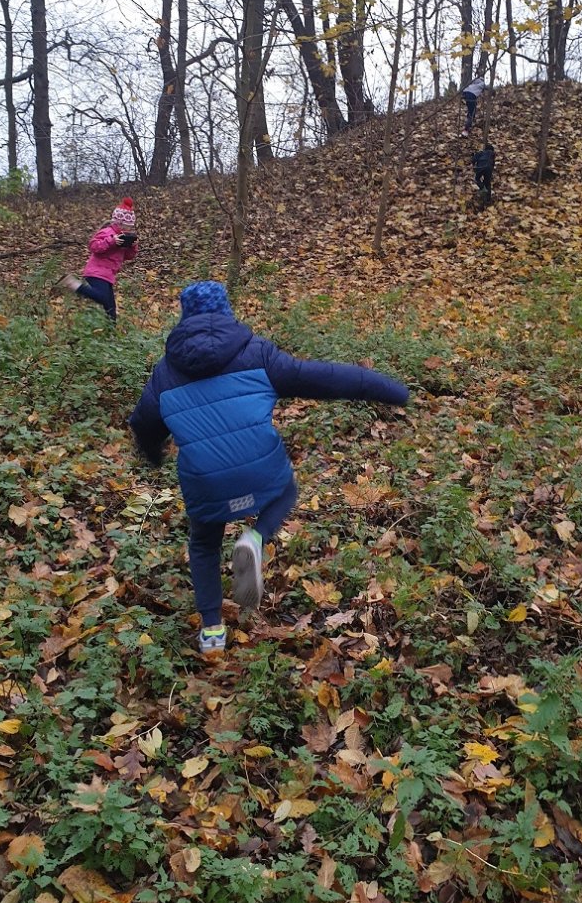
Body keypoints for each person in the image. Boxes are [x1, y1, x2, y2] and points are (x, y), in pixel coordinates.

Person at [128, 281, 409, 661]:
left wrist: (154, 456)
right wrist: (391, 390)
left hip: (205, 481)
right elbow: (325, 377)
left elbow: (143, 425)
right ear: (225, 312)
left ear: (184, 318)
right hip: (259, 472)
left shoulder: (164, 374)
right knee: (286, 490)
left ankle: (212, 631)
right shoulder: (257, 353)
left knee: (204, 543)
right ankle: (256, 538)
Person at [56, 197, 139, 322]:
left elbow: (128, 256)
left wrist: (132, 246)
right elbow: (94, 246)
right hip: (96, 272)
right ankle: (73, 284)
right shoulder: (107, 232)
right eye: (128, 227)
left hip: (108, 275)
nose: (130, 230)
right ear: (119, 224)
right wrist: (112, 241)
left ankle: (110, 331)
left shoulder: (123, 237)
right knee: (102, 298)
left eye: (131, 227)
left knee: (110, 309)